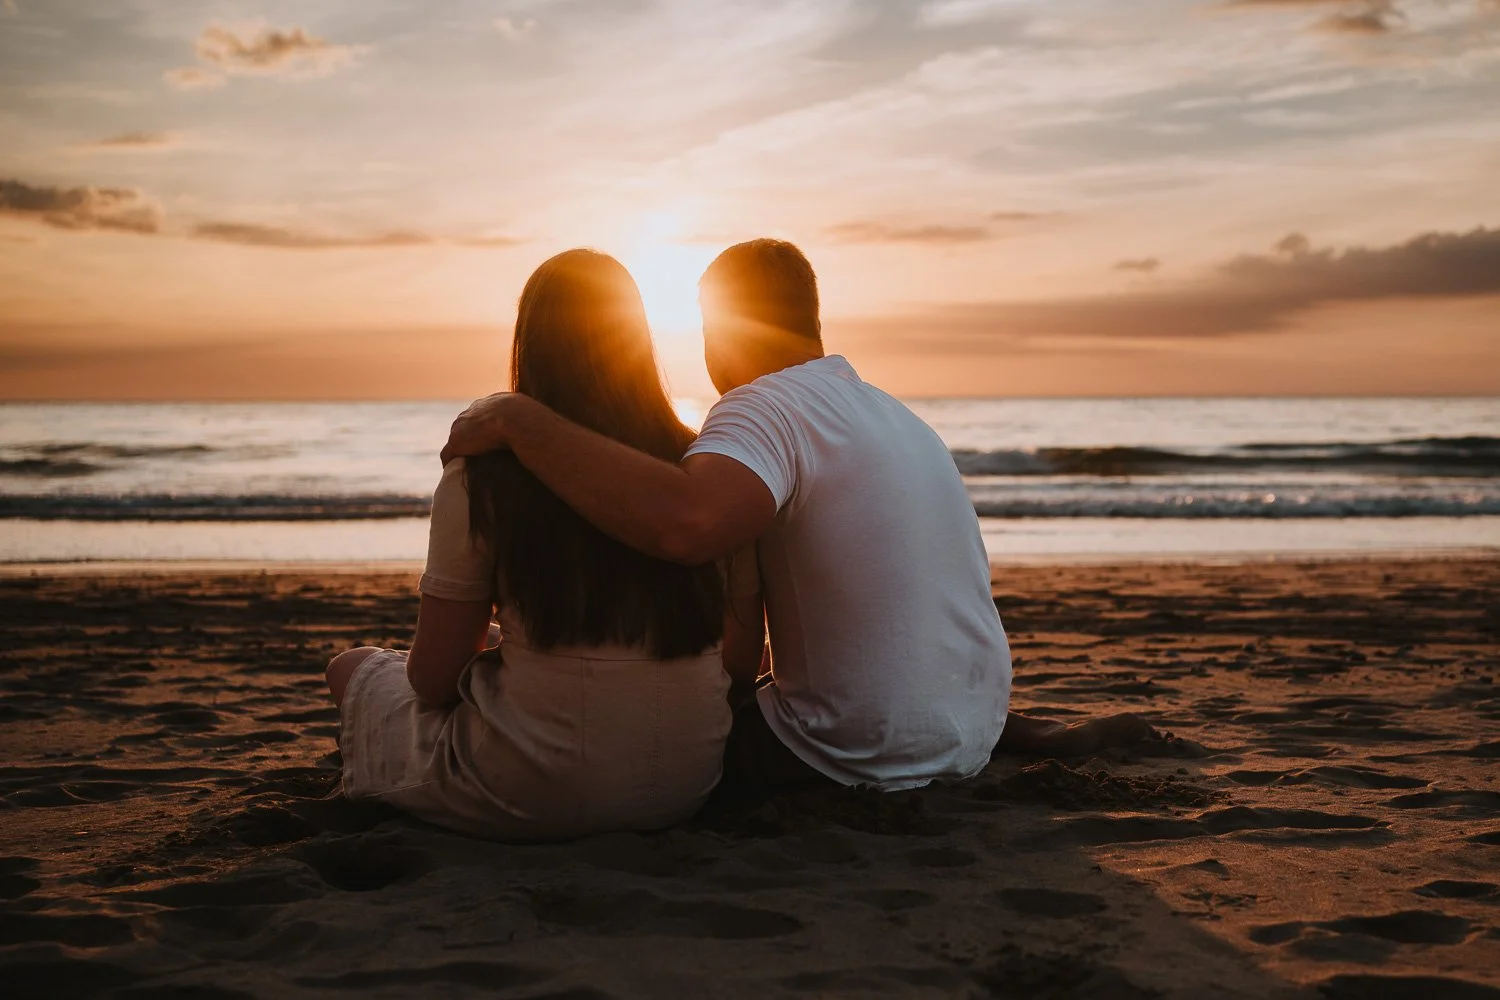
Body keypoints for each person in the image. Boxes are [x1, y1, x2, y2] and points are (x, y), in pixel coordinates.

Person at [442, 239, 1153, 793]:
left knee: (687, 731)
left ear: (722, 325)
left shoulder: (763, 406)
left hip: (847, 752)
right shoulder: (894, 415)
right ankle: (1014, 733)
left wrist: (517, 420)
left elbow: (685, 526)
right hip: (968, 732)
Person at [325, 249, 763, 839]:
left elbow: (432, 679)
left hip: (532, 791)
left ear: (526, 346)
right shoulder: (702, 472)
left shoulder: (484, 478)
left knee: (351, 667)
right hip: (686, 785)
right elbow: (740, 664)